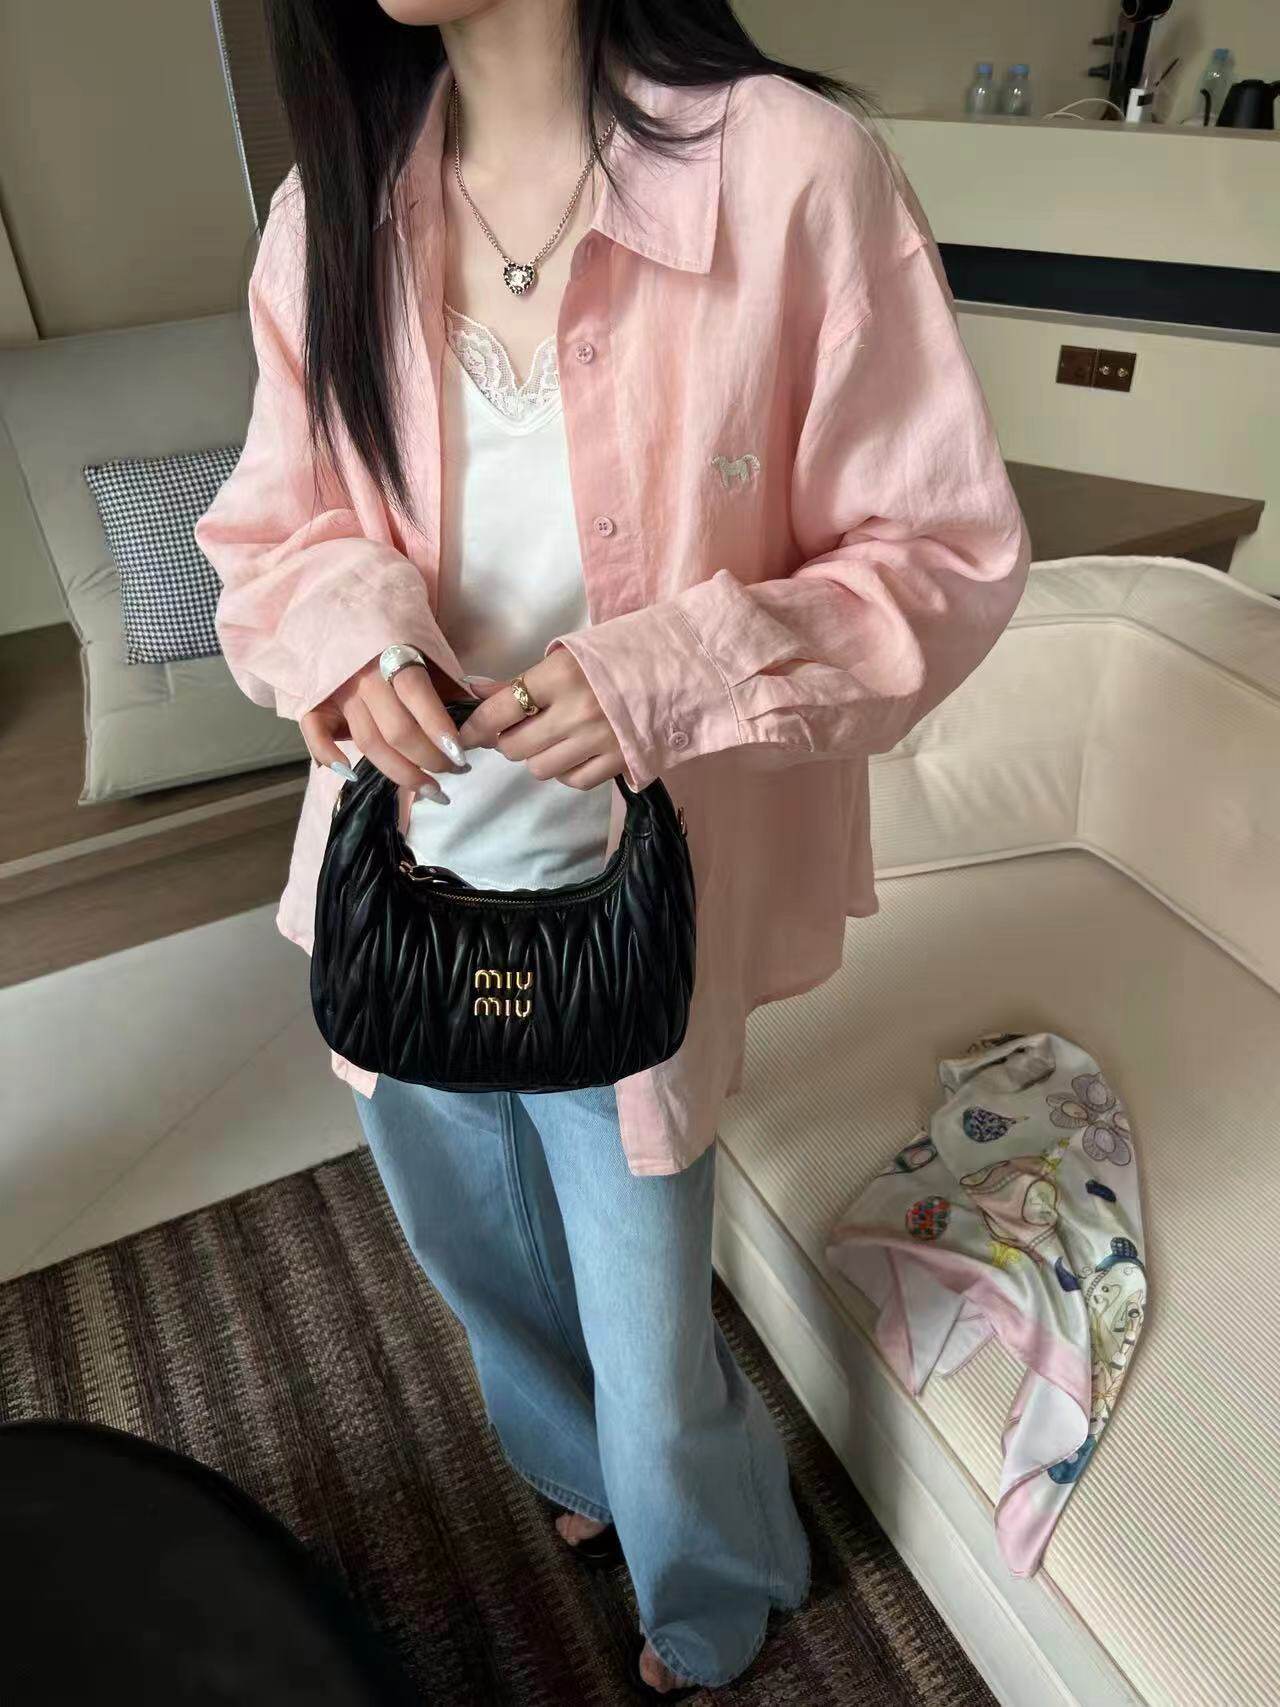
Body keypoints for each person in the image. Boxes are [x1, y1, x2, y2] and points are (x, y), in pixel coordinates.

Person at [197, 0, 1030, 1693]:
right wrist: (351, 636)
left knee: (650, 1329)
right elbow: (281, 529)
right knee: (471, 1253)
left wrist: (668, 670)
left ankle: (719, 1588)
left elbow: (940, 554)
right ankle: (573, 1468)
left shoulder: (792, 169)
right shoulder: (330, 206)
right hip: (399, 883)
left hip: (635, 904)